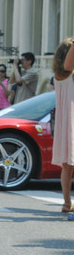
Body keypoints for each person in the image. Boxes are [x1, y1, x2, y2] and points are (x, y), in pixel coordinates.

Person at [51, 38, 74, 213]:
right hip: (71, 120)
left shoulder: (57, 77)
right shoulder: (71, 73)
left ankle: (67, 203)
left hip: (64, 122)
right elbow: (68, 66)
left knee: (68, 165)